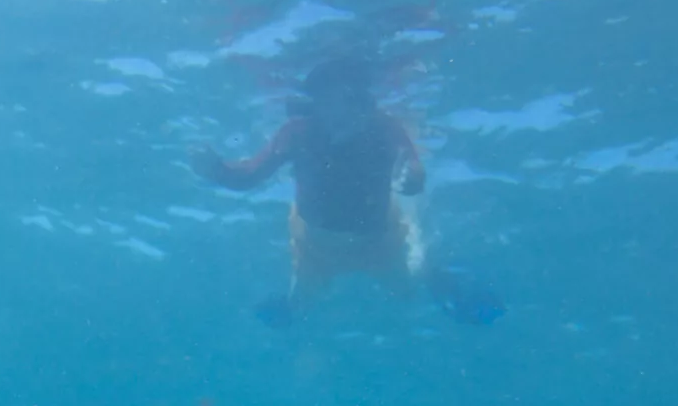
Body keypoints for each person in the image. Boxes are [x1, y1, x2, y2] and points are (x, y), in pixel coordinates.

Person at [191, 55, 501, 327]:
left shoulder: (384, 128)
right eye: (332, 98)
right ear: (316, 102)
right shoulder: (297, 133)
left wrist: (412, 178)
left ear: (362, 100)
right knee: (301, 299)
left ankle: (443, 285)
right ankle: (290, 308)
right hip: (316, 245)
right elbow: (248, 175)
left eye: (349, 98)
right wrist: (218, 170)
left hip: (381, 240)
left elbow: (414, 168)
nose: (343, 111)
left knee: (411, 281)